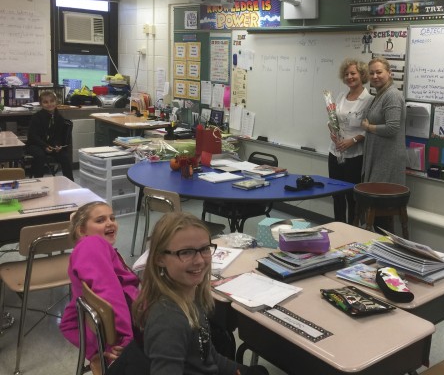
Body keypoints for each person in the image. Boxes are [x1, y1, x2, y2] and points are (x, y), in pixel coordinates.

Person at [132, 212, 268, 375]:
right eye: (185, 252)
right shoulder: (168, 321)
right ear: (160, 259)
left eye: (204, 249)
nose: (199, 260)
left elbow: (207, 357)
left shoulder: (189, 296)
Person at [60, 202, 140, 375]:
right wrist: (123, 340)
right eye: (100, 220)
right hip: (134, 333)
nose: (110, 223)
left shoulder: (92, 248)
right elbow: (109, 293)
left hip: (126, 329)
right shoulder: (92, 245)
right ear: (82, 230)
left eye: (112, 218)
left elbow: (68, 322)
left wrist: (96, 351)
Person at [361, 57, 407, 231]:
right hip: (378, 158)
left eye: (379, 72)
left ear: (389, 73)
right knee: (377, 211)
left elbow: (392, 128)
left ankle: (385, 245)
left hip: (387, 160)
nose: (375, 76)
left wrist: (369, 127)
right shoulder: (380, 94)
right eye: (371, 73)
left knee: (382, 212)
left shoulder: (392, 95)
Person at [328, 59, 373, 224]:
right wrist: (332, 131)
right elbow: (333, 120)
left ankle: (352, 230)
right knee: (336, 195)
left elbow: (370, 129)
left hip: (355, 156)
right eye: (346, 74)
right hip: (335, 153)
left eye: (353, 73)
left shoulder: (369, 100)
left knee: (352, 197)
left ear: (362, 75)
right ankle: (338, 227)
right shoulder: (341, 96)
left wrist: (353, 140)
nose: (349, 77)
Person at [26, 90, 74, 180]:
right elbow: (32, 136)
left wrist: (58, 145)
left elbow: (58, 135)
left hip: (51, 145)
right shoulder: (36, 117)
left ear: (56, 102)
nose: (49, 104)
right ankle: (39, 181)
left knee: (64, 156)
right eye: (45, 102)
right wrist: (44, 146)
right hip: (36, 144)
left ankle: (70, 182)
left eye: (52, 101)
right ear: (41, 104)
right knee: (40, 155)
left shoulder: (59, 117)